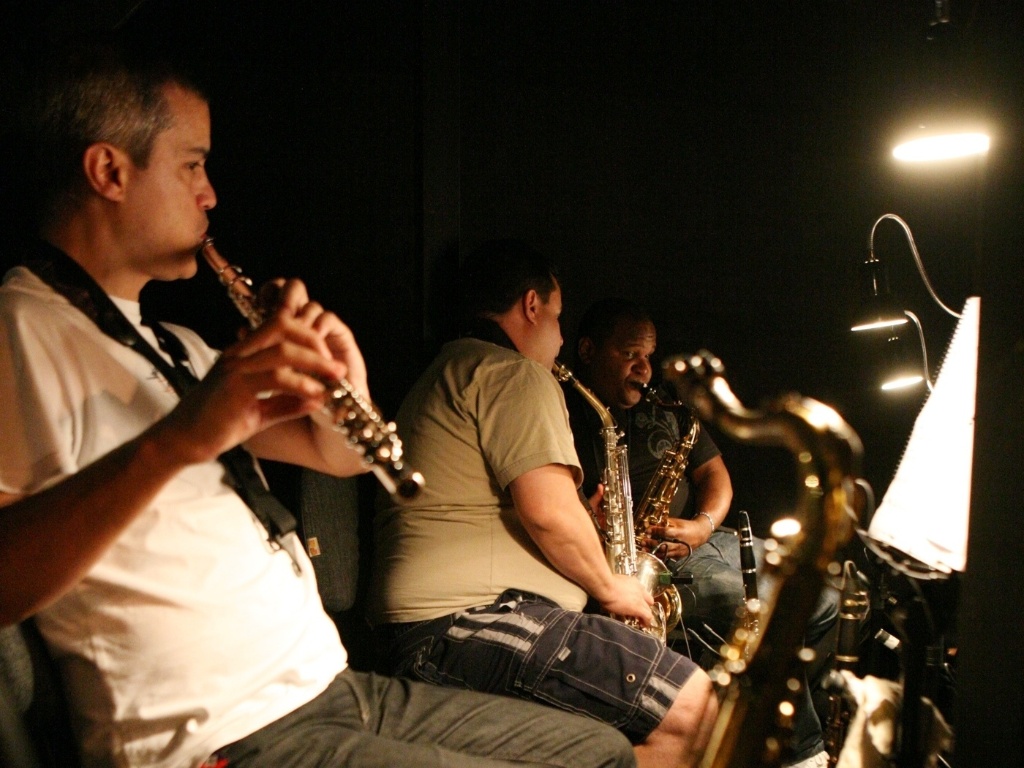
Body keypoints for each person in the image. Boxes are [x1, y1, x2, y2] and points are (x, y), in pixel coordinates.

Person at [0, 39, 637, 768]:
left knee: (602, 753)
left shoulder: (174, 345)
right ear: (110, 170)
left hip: (327, 687)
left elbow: (338, 456)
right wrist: (180, 439)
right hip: (215, 737)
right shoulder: (18, 329)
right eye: (192, 165)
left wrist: (345, 376)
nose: (210, 194)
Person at [370, 239, 718, 768]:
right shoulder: (511, 371)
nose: (558, 339)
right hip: (467, 623)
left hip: (438, 631)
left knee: (609, 746)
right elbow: (547, 513)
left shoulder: (448, 368)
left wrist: (590, 530)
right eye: (558, 319)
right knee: (698, 710)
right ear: (531, 305)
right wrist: (611, 586)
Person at [566, 297, 838, 768]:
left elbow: (716, 475)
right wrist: (592, 521)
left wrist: (701, 525)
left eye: (649, 355)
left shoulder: (669, 410)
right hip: (633, 564)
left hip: (696, 539)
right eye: (630, 354)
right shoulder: (563, 410)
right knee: (749, 602)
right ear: (588, 351)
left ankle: (772, 725)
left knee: (825, 597)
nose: (644, 369)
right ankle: (803, 755)